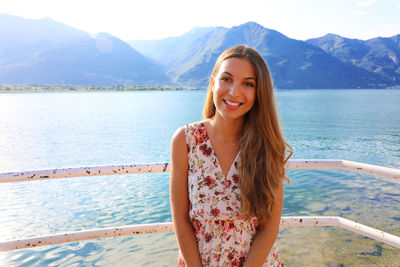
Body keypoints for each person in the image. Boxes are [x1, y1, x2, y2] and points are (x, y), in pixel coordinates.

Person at [170, 45, 292, 267]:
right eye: (226, 79)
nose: (235, 91)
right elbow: (180, 218)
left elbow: (269, 228)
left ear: (259, 92)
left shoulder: (267, 146)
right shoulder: (186, 140)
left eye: (248, 83)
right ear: (213, 81)